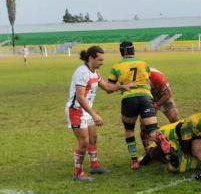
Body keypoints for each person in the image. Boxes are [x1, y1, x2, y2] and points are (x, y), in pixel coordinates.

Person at [66, 46, 134, 181]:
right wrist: (94, 114)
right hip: (76, 110)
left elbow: (107, 87)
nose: (102, 62)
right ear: (91, 58)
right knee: (84, 141)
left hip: (86, 111)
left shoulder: (94, 73)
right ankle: (77, 172)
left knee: (93, 139)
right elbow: (80, 97)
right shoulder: (82, 73)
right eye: (99, 60)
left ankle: (94, 165)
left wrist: (121, 87)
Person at [107, 41, 171, 169]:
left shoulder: (116, 67)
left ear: (121, 52)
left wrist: (121, 86)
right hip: (145, 97)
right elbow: (147, 79)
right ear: (133, 51)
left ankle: (134, 161)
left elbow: (109, 88)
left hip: (128, 99)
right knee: (152, 129)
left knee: (129, 130)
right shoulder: (143, 63)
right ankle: (161, 140)